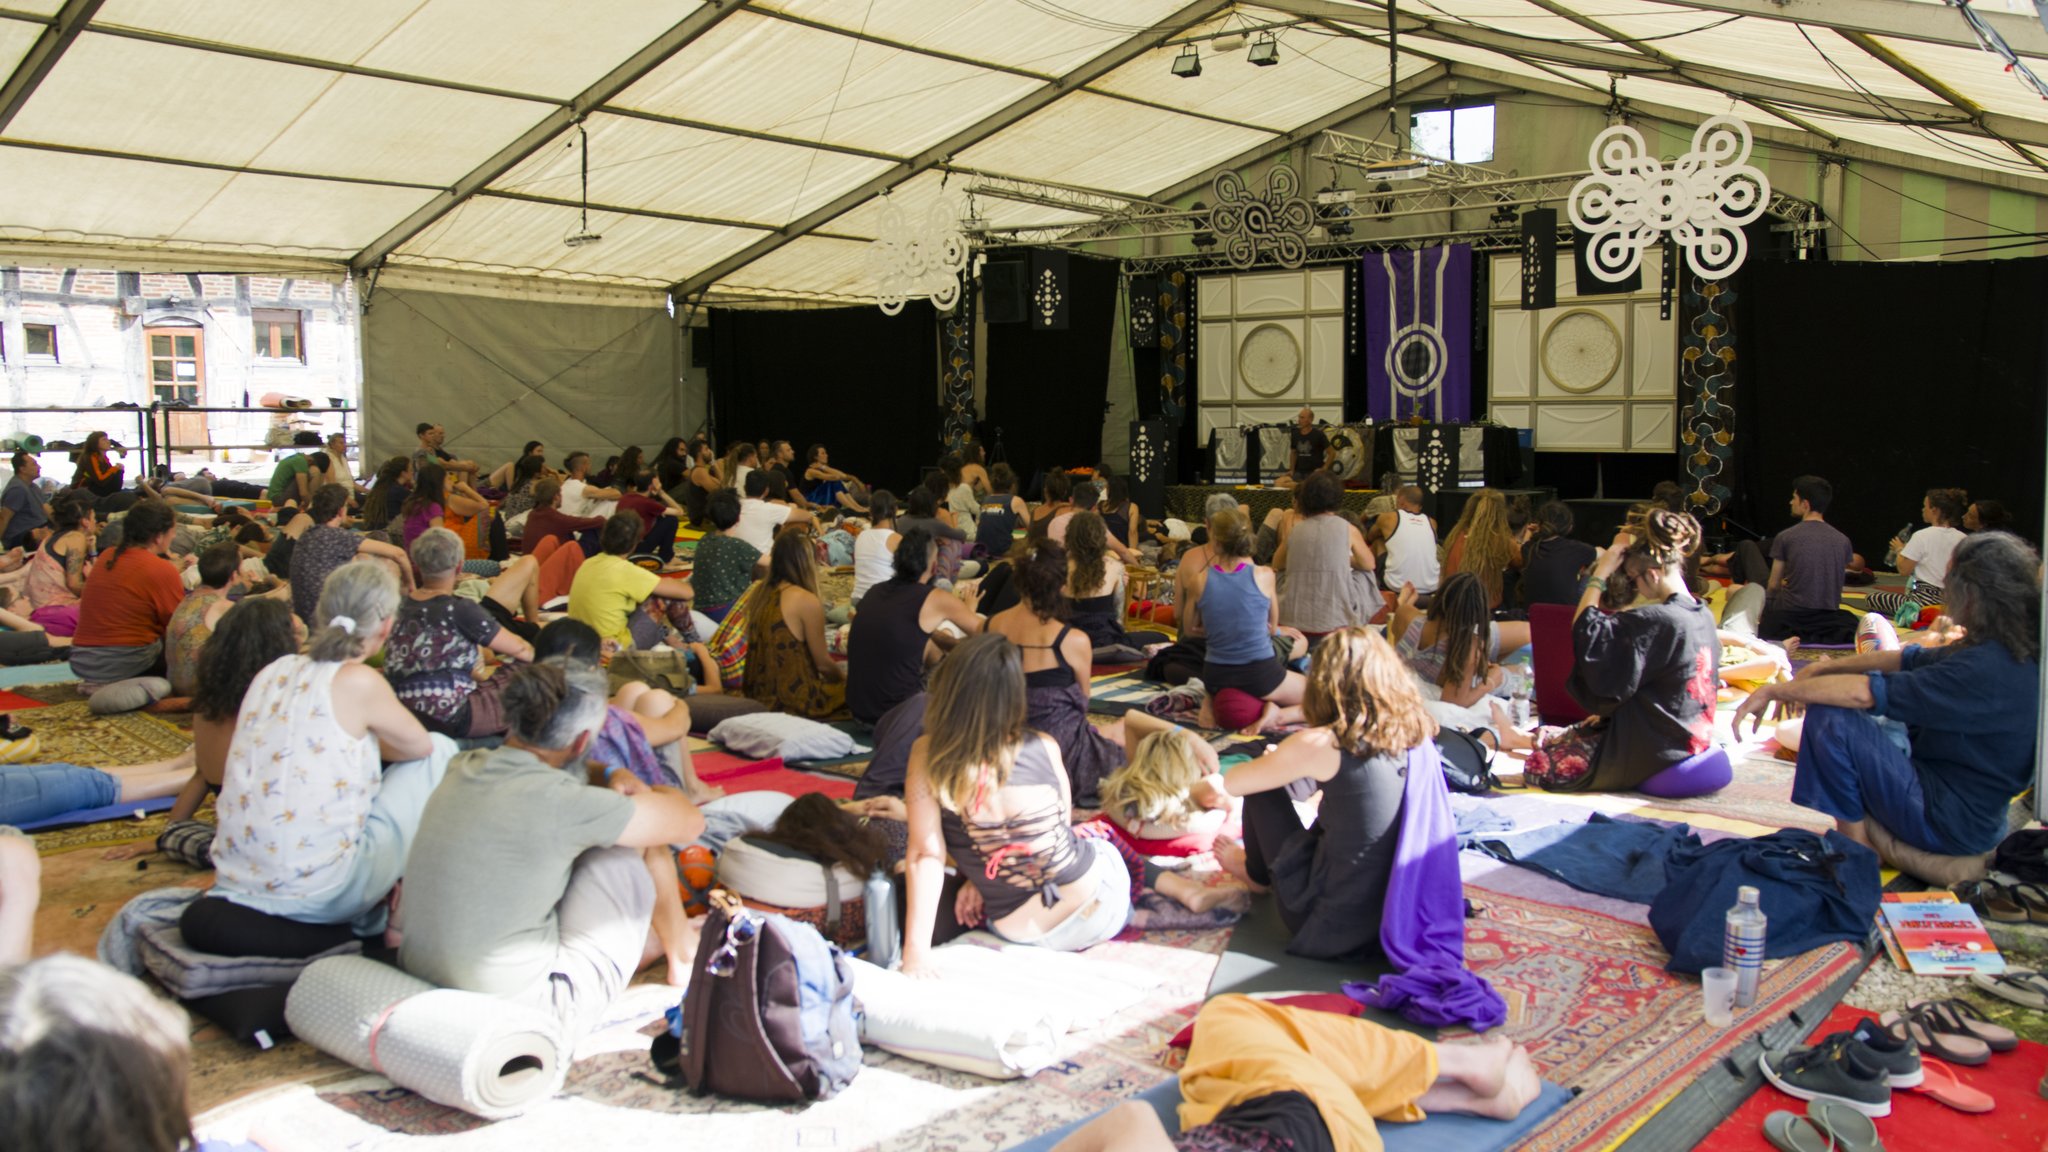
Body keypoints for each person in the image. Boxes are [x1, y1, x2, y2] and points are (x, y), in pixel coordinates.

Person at [398, 659, 706, 1039]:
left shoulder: (464, 764)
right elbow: (689, 822)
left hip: (423, 974)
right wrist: (647, 791)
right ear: (581, 741)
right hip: (531, 1007)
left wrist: (610, 773)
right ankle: (682, 953)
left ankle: (659, 942)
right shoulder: (561, 801)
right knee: (638, 838)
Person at [1736, 532, 2042, 857]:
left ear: (1970, 595)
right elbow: (1905, 659)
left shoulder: (1983, 667)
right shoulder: (2009, 650)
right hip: (1974, 819)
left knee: (1831, 714)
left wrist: (1779, 689)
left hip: (1946, 824)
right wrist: (1822, 670)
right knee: (1854, 692)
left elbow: (1862, 694)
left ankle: (1856, 847)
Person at [210, 560, 456, 932]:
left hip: (233, 878)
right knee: (440, 749)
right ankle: (404, 909)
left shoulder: (273, 670)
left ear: (320, 613)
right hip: (320, 893)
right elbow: (419, 749)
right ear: (387, 625)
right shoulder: (359, 680)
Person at [1047, 994, 1540, 1152]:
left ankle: (1450, 1096)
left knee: (1210, 1078)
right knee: (1227, 1016)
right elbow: (1130, 1119)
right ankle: (1454, 1065)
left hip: (1317, 1131)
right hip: (1301, 1112)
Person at [901, 634, 1132, 969]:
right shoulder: (1045, 745)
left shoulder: (926, 754)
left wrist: (915, 954)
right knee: (1103, 843)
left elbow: (925, 854)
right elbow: (1060, 829)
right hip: (1100, 908)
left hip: (1022, 931)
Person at [1206, 628, 1437, 961]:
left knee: (1261, 786)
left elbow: (1235, 783)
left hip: (1325, 920)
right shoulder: (1413, 734)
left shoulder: (1324, 742)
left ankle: (1256, 876)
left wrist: (1276, 763)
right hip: (1390, 912)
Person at [1526, 511, 1721, 794]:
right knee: (1565, 736)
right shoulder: (1702, 613)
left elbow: (1586, 629)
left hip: (1658, 750)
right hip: (1691, 736)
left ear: (1652, 574)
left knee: (1540, 766)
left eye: (1633, 578)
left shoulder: (1657, 619)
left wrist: (1600, 574)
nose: (1635, 587)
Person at [385, 528, 538, 737]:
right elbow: (522, 650)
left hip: (402, 712)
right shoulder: (459, 609)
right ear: (459, 566)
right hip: (455, 718)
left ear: (418, 565)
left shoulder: (396, 606)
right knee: (532, 671)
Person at [846, 526, 985, 724]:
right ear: (934, 567)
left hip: (859, 714)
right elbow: (989, 634)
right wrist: (969, 610)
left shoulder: (874, 591)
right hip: (900, 719)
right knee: (982, 660)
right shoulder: (935, 598)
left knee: (927, 643)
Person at [1185, 509, 1306, 733]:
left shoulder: (1199, 580)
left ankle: (1209, 699)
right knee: (1327, 697)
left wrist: (1221, 631)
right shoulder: (1264, 575)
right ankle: (1279, 715)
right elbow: (1272, 629)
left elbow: (1190, 629)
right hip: (1258, 673)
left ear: (1215, 541)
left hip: (1214, 674)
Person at [70, 500, 185, 688]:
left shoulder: (107, 556)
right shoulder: (161, 569)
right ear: (159, 536)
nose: (174, 536)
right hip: (126, 661)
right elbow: (177, 625)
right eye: (173, 531)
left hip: (82, 659)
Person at [742, 527, 847, 718]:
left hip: (756, 694)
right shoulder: (805, 600)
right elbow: (823, 664)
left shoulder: (759, 592)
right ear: (808, 562)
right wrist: (844, 680)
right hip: (793, 699)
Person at [567, 512, 697, 654]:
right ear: (635, 543)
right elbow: (687, 593)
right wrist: (669, 582)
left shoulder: (588, 563)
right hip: (615, 648)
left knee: (646, 595)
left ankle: (675, 642)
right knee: (664, 596)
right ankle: (696, 644)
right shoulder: (625, 570)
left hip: (584, 642)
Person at [1274, 470, 1380, 635]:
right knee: (1366, 574)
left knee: (1279, 573)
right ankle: (1357, 621)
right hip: (1337, 620)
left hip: (1293, 618)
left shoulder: (1296, 530)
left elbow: (1276, 563)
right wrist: (1342, 560)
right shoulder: (1348, 528)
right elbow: (1369, 564)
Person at [289, 483, 409, 624]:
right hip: (325, 620)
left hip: (304, 614)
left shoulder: (307, 536)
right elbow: (398, 554)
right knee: (381, 563)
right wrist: (410, 587)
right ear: (341, 511)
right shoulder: (337, 537)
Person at [1757, 475, 1856, 644]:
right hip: (1827, 618)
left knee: (1740, 593)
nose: (1790, 502)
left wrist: (1766, 609)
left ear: (1805, 504)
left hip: (1789, 614)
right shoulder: (1843, 540)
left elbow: (1773, 585)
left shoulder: (1786, 536)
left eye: (1794, 498)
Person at [1064, 510, 1164, 654]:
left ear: (1070, 537)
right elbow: (1118, 615)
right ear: (1101, 537)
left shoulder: (1057, 566)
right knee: (1161, 637)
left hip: (1066, 641)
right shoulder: (1114, 567)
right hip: (1104, 642)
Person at [1870, 487, 1968, 615]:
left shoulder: (1922, 535)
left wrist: (1899, 549)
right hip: (1952, 601)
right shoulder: (1963, 538)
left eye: (1925, 506)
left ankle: (1918, 611)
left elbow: (1904, 570)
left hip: (1923, 599)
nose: (1923, 510)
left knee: (1873, 598)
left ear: (1934, 510)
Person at [165, 542, 243, 698]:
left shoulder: (188, 598)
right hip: (199, 694)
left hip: (175, 685)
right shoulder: (223, 607)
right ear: (234, 576)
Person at [400, 460, 503, 562]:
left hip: (418, 554)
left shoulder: (415, 501)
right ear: (440, 482)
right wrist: (466, 489)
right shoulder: (446, 499)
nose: (452, 481)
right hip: (448, 550)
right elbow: (485, 506)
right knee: (491, 512)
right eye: (449, 478)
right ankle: (500, 558)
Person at [1439, 488, 1523, 611]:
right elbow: (1520, 561)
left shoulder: (1455, 534)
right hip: (1481, 609)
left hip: (1451, 604)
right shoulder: (1497, 539)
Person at [24, 489, 93, 635]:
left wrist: (93, 551)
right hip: (54, 609)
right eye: (94, 518)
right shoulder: (76, 538)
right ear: (85, 522)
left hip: (39, 605)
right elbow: (73, 584)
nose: (96, 522)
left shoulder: (54, 537)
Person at [1520, 500, 1597, 607]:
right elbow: (1601, 555)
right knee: (1594, 567)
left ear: (1539, 524)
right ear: (1570, 527)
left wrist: (1530, 531)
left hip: (1533, 612)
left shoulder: (1528, 548)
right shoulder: (1579, 549)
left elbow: (1524, 544)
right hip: (1568, 612)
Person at [1375, 485, 1441, 596]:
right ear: (1420, 506)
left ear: (1401, 502)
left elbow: (1370, 536)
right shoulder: (1432, 523)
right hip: (1431, 587)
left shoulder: (1388, 518)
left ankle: (1374, 590)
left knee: (1378, 541)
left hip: (1396, 586)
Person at [522, 477, 606, 554]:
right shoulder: (556, 518)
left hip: (532, 557)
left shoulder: (532, 514)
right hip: (549, 561)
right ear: (556, 497)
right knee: (594, 531)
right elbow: (599, 521)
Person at [733, 470, 810, 553]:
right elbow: (808, 516)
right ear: (766, 491)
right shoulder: (770, 508)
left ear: (744, 487)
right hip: (765, 557)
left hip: (736, 555)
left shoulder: (733, 506)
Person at [850, 489, 901, 605]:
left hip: (858, 599)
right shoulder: (896, 539)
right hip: (883, 600)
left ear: (871, 511)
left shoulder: (861, 536)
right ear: (895, 509)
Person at [975, 463, 1027, 558]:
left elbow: (980, 525)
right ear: (1012, 484)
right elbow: (1032, 527)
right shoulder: (1016, 500)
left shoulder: (986, 500)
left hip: (980, 550)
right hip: (1001, 551)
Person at [0, 451, 48, 549]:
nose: (39, 467)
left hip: (37, 529)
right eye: (34, 464)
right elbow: (4, 518)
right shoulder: (17, 489)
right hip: (20, 536)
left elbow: (47, 509)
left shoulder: (33, 487)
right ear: (22, 469)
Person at [560, 451, 621, 521]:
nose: (590, 466)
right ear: (583, 467)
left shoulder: (567, 483)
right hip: (574, 524)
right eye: (589, 464)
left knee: (606, 492)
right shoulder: (582, 488)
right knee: (611, 502)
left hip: (570, 519)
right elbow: (617, 494)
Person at [803, 443, 864, 510]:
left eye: (826, 453)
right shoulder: (811, 471)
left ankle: (858, 507)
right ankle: (853, 508)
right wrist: (824, 468)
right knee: (834, 481)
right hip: (810, 500)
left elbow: (843, 476)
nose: (827, 455)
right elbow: (836, 477)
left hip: (820, 497)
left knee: (835, 481)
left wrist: (823, 467)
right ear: (815, 457)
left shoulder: (823, 468)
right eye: (823, 453)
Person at [361, 455, 412, 535]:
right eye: (411, 470)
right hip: (390, 532)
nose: (413, 473)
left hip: (374, 530)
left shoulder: (382, 487)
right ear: (403, 473)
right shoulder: (400, 492)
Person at [412, 422, 478, 481]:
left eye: (433, 433)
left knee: (459, 474)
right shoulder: (420, 452)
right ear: (421, 436)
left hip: (439, 476)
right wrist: (465, 467)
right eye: (430, 434)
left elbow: (443, 462)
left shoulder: (430, 450)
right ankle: (461, 488)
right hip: (430, 481)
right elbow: (442, 464)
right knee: (459, 473)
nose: (433, 436)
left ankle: (468, 489)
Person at [1281, 406, 1328, 486]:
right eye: (1299, 417)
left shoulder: (1318, 434)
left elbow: (1332, 453)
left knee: (1309, 488)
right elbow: (1293, 453)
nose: (1299, 420)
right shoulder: (1295, 434)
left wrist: (1324, 468)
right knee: (1284, 484)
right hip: (1299, 472)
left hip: (1313, 473)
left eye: (1302, 417)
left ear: (1310, 419)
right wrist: (1292, 470)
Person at [70, 431, 124, 498]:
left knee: (119, 472)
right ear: (95, 443)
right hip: (84, 489)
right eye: (104, 439)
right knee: (117, 471)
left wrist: (118, 469)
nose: (108, 442)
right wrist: (115, 468)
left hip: (95, 486)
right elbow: (100, 480)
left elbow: (108, 476)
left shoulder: (104, 458)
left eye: (107, 439)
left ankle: (114, 496)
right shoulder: (90, 457)